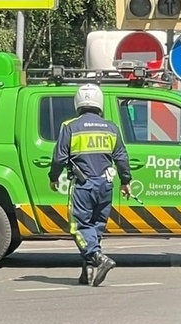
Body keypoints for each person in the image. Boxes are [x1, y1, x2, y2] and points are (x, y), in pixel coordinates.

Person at [49, 84, 132, 286]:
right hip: (106, 185)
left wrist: (53, 177)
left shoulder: (70, 126)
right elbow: (121, 157)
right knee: (95, 227)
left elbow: (59, 157)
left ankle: (98, 258)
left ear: (78, 102)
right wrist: (126, 181)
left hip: (83, 185)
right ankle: (87, 272)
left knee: (79, 227)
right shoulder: (111, 128)